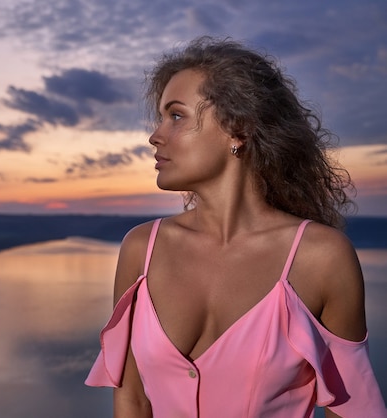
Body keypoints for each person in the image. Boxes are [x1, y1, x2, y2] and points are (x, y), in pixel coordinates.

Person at [85, 36, 387, 417]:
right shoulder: (141, 249)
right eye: (161, 117)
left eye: (176, 116)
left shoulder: (320, 258)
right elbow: (132, 399)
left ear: (238, 130)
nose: (155, 135)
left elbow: (354, 409)